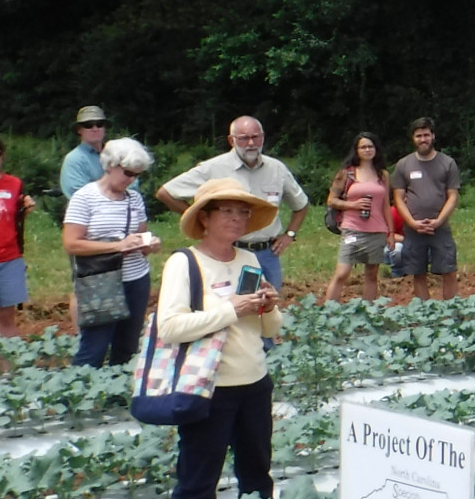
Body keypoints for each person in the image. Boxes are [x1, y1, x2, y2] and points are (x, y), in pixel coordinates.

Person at [155, 180, 283, 499]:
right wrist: (232, 309)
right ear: (204, 218)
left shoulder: (250, 258)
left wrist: (268, 307)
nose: (237, 218)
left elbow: (270, 329)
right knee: (198, 480)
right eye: (227, 210)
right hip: (208, 389)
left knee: (257, 475)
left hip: (254, 384)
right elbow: (169, 327)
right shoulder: (185, 263)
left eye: (243, 212)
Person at [155, 117, 314, 293]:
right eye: (244, 138)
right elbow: (166, 193)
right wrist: (203, 221)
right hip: (230, 251)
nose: (251, 143)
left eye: (256, 137)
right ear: (231, 140)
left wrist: (289, 234)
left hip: (267, 253)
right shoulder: (213, 168)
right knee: (234, 307)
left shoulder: (276, 169)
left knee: (269, 308)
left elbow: (301, 204)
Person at [64, 137, 161, 368]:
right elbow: (72, 244)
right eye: (128, 173)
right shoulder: (84, 197)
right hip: (101, 282)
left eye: (137, 174)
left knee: (127, 346)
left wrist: (149, 244)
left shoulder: (135, 199)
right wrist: (117, 246)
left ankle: (117, 399)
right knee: (94, 346)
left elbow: (140, 236)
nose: (132, 179)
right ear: (111, 166)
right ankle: (78, 396)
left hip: (136, 279)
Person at [390, 118, 462, 302]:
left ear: (433, 136)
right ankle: (425, 313)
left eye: (426, 135)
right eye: (419, 136)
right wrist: (412, 223)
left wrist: (439, 220)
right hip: (413, 229)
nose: (423, 139)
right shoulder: (403, 165)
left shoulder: (448, 163)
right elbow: (398, 198)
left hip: (441, 227)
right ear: (413, 138)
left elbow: (453, 196)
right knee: (417, 273)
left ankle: (452, 312)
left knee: (449, 270)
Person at [323, 133, 392, 303]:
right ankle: (328, 311)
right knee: (342, 273)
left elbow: (385, 206)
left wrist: (390, 232)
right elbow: (331, 200)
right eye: (363, 147)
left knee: (371, 274)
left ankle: (368, 311)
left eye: (370, 146)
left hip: (377, 230)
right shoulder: (346, 174)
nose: (367, 150)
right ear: (356, 150)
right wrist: (352, 205)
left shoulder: (383, 175)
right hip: (352, 229)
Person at [0, 138, 34, 337]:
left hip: (9, 257)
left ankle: (9, 366)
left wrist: (26, 208)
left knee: (7, 315)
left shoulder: (15, 184)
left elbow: (21, 209)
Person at [60, 106, 110, 199]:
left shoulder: (117, 154)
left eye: (99, 124)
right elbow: (80, 196)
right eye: (88, 125)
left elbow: (132, 186)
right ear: (79, 130)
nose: (95, 129)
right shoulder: (74, 159)